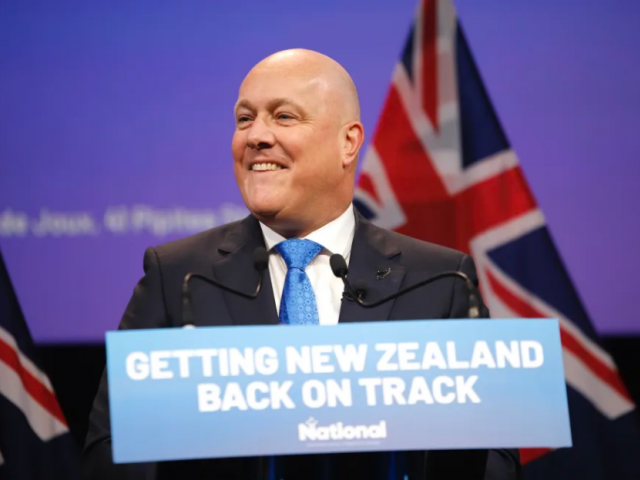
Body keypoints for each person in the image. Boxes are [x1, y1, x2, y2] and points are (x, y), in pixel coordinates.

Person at [82, 49, 521, 479]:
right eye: (244, 119)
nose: (256, 136)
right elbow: (111, 451)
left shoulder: (440, 281)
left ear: (347, 142)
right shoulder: (178, 275)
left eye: (283, 116)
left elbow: (495, 460)